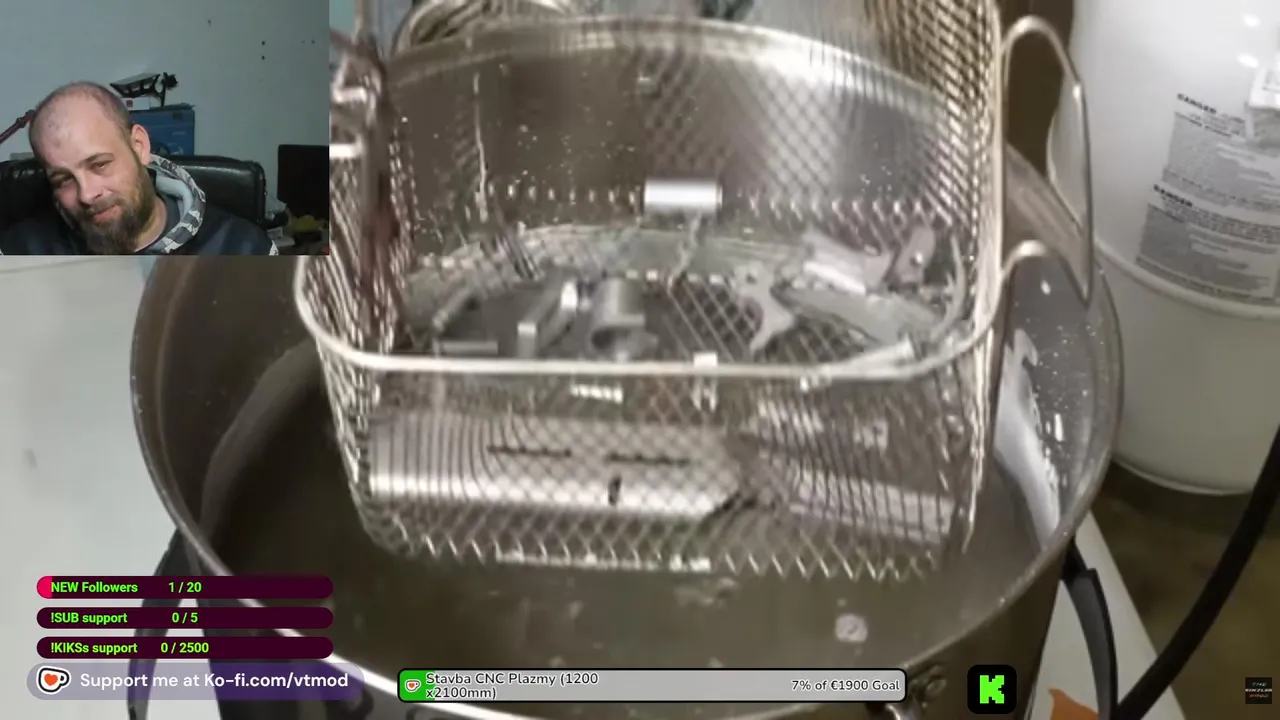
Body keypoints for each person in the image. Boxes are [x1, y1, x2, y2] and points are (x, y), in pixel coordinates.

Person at [0, 82, 276, 255]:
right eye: (63, 180)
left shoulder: (243, 250)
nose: (87, 194)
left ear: (139, 146)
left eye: (100, 164)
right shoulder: (20, 253)